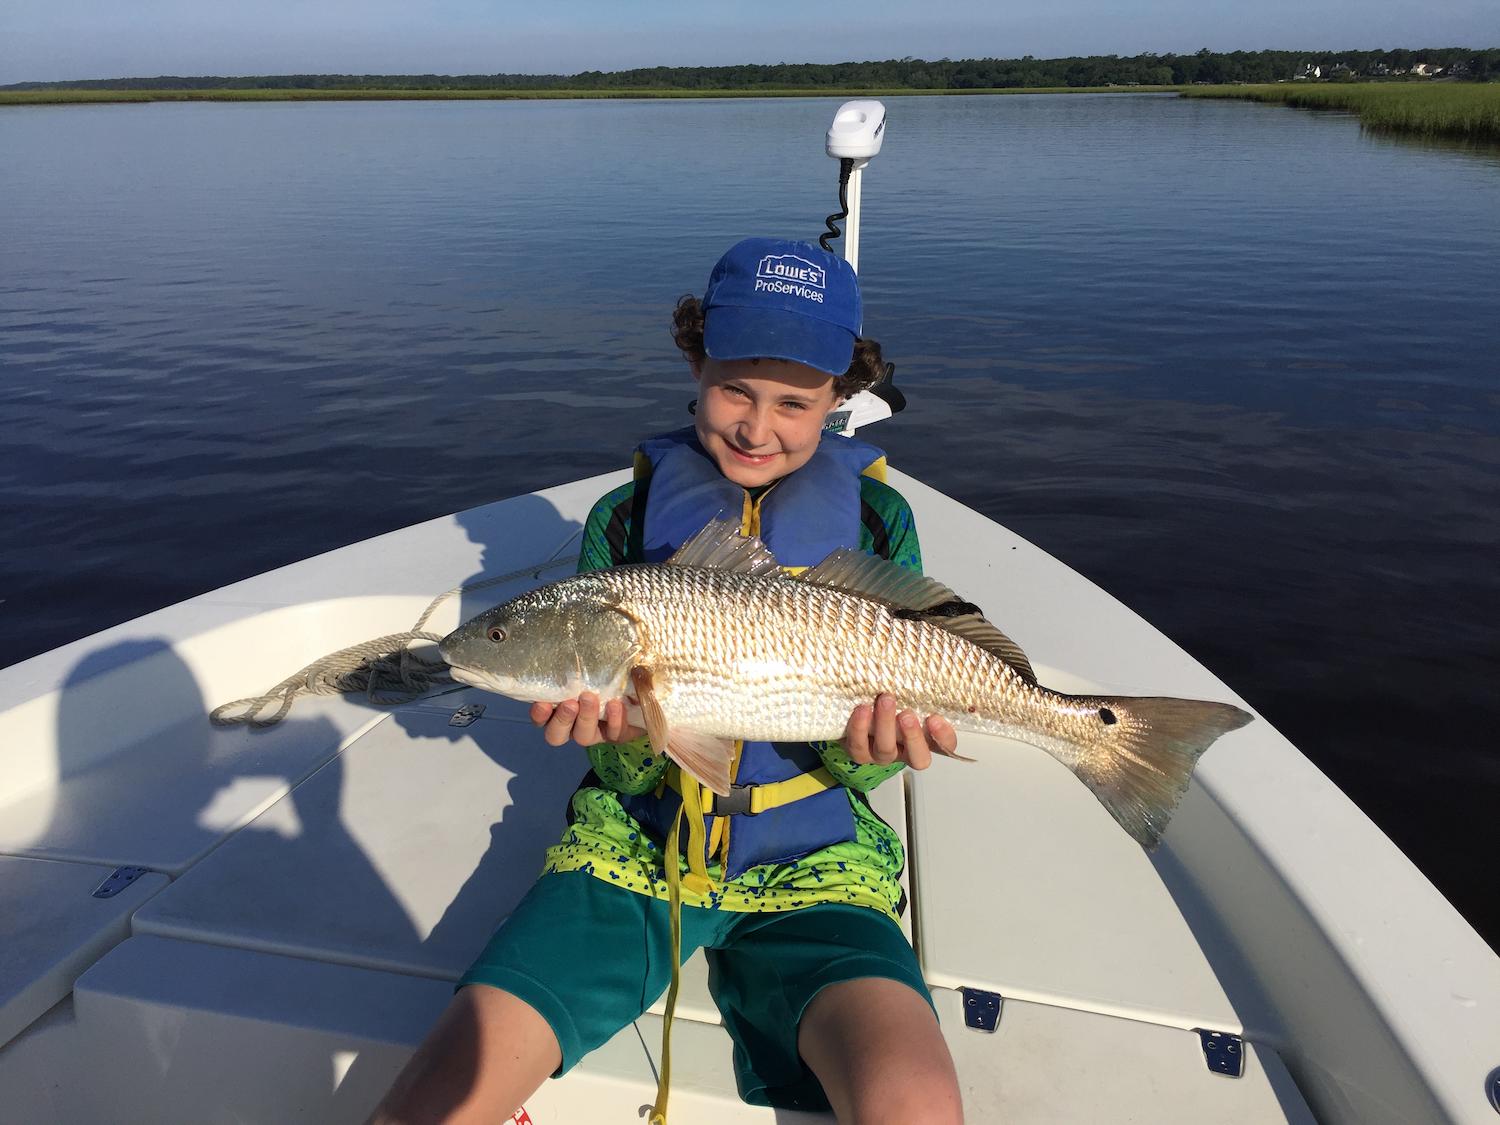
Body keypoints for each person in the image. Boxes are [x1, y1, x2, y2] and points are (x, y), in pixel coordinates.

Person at [370, 238, 965, 1125]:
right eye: (735, 391)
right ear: (696, 364)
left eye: (795, 404)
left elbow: (876, 754)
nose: (757, 427)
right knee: (429, 1103)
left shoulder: (881, 519)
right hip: (633, 851)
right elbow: (628, 763)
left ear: (841, 400)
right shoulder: (624, 522)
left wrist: (876, 755)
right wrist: (623, 749)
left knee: (918, 1105)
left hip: (821, 862)